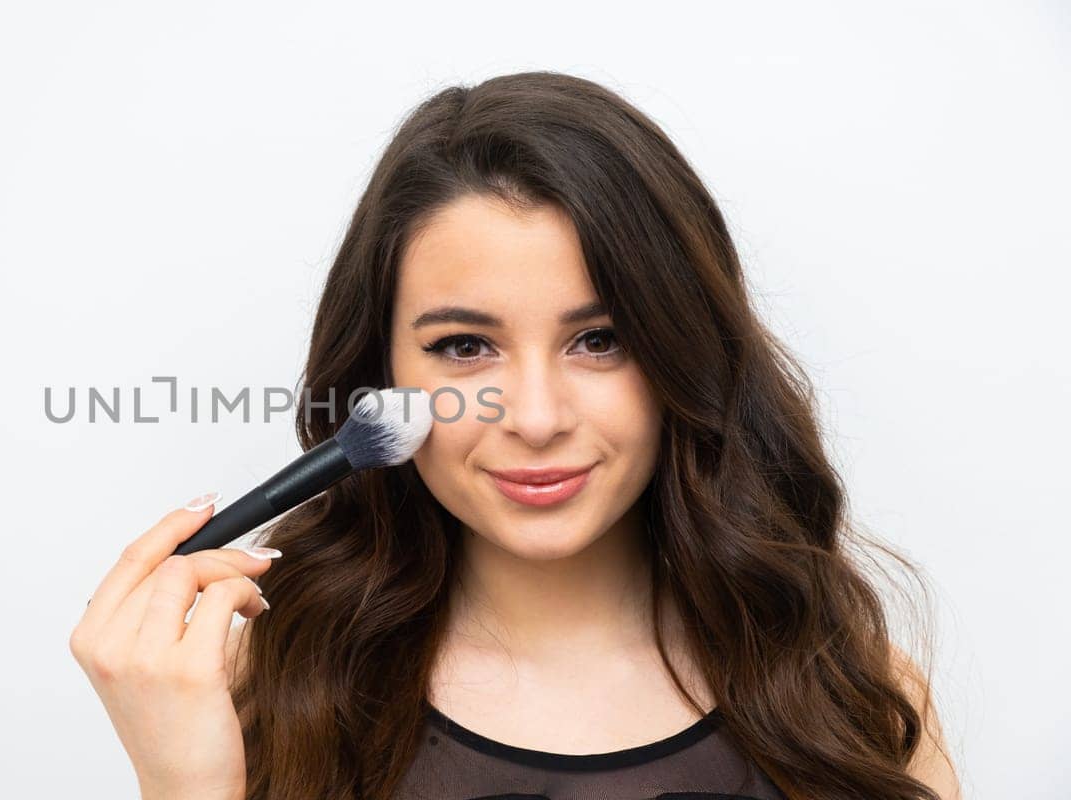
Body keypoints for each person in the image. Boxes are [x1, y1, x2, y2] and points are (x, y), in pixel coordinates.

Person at [70, 70, 962, 800]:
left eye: (599, 341)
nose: (535, 418)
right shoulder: (255, 691)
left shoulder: (847, 690)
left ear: (683, 351)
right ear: (382, 376)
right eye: (465, 348)